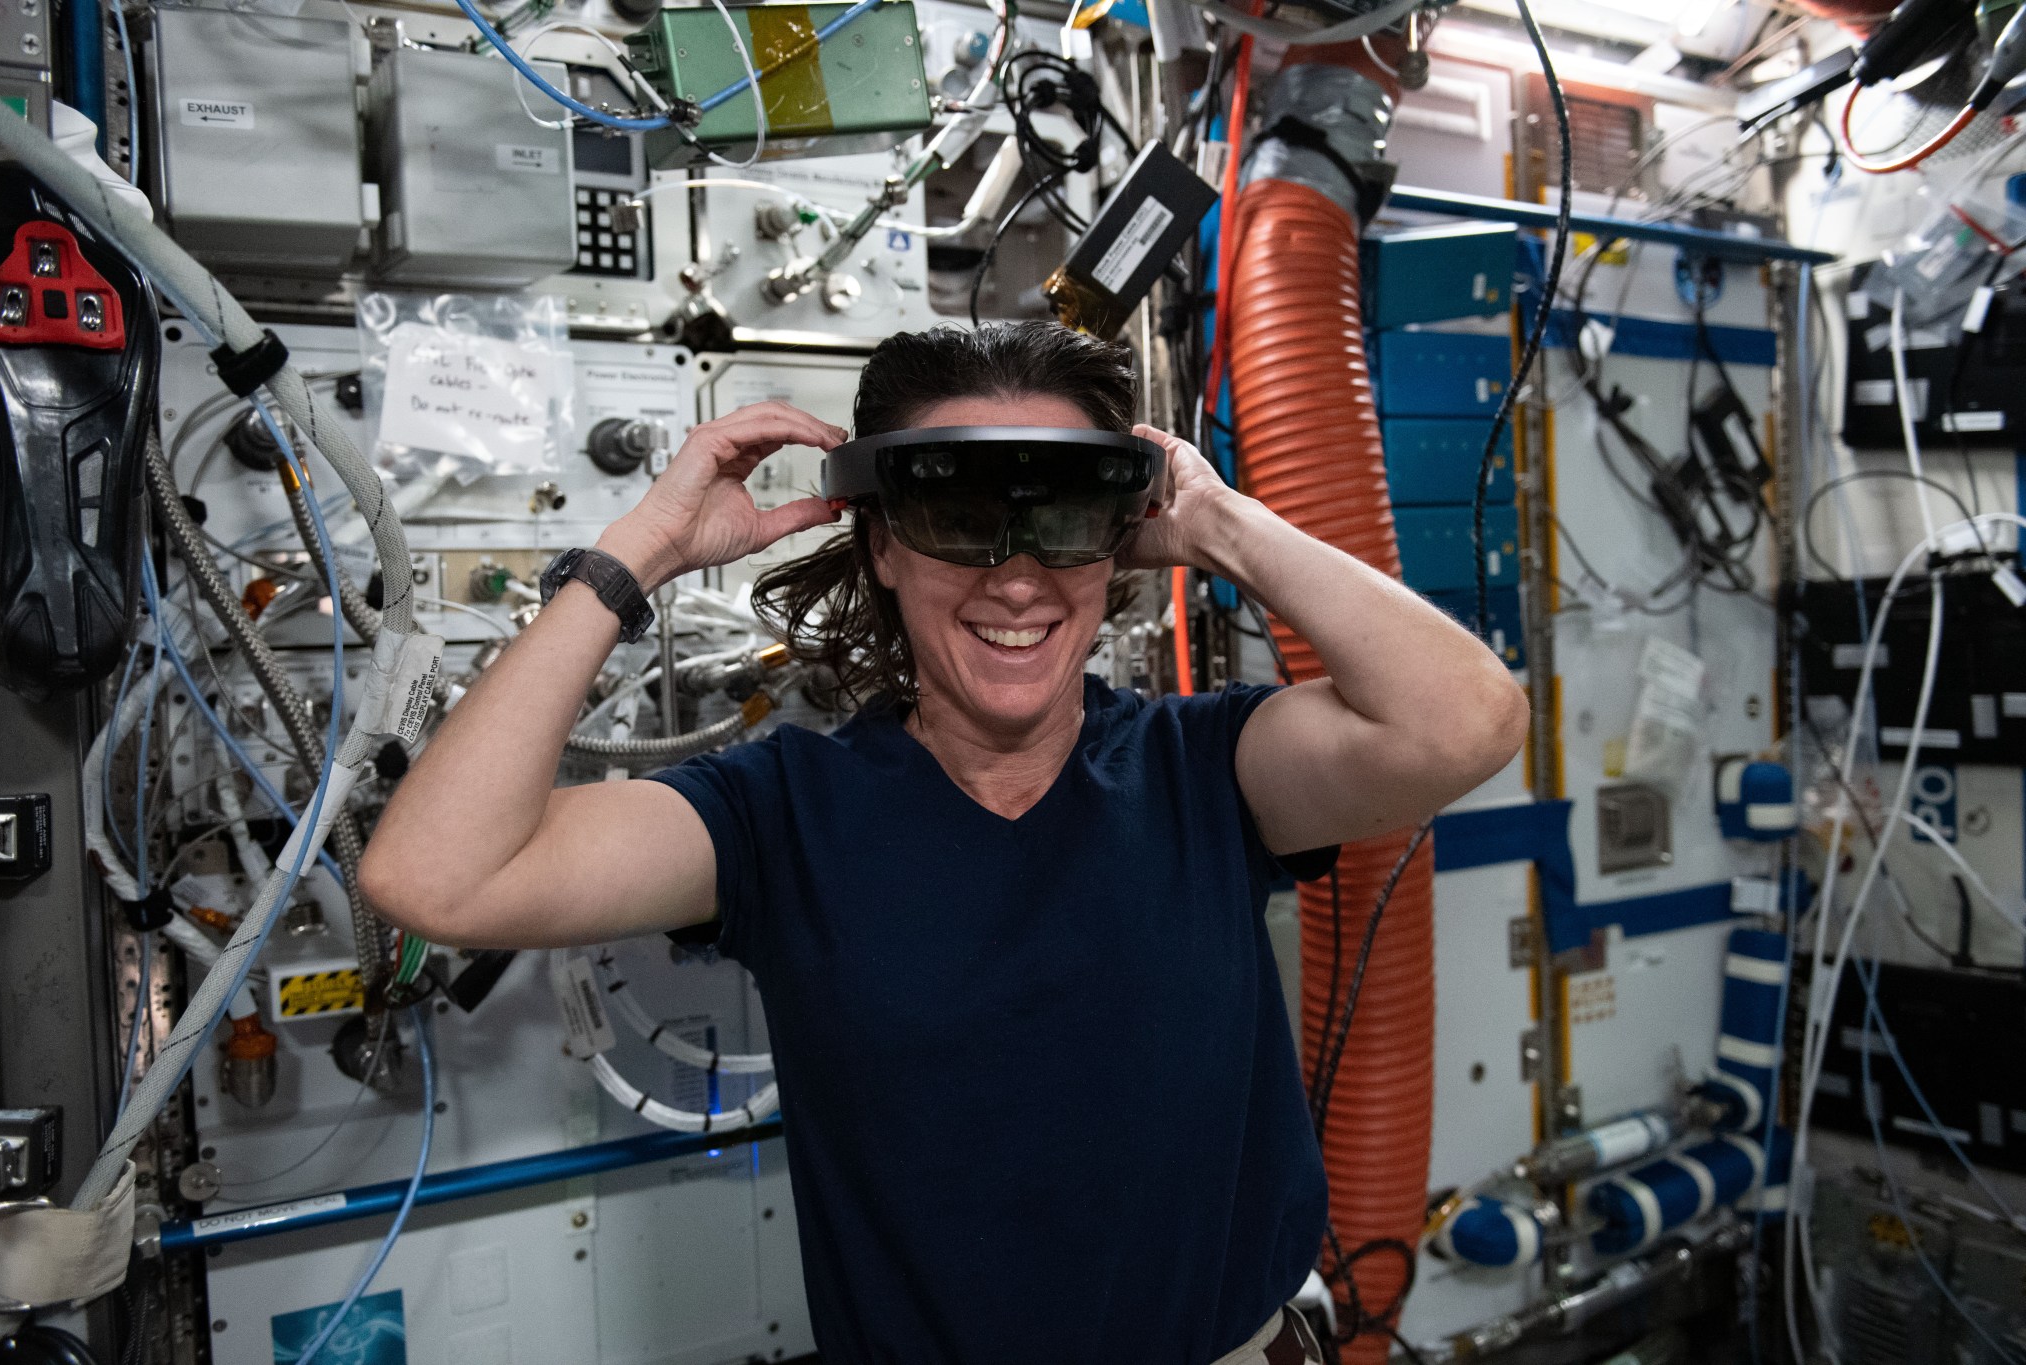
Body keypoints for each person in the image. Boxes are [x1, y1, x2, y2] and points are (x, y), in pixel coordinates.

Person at [361, 322, 1528, 1365]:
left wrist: (1221, 523)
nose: (1014, 578)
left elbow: (1467, 719)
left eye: (1061, 518)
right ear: (879, 545)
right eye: (959, 517)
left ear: (1116, 543)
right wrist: (636, 556)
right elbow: (436, 876)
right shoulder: (783, 816)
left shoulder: (1204, 774)